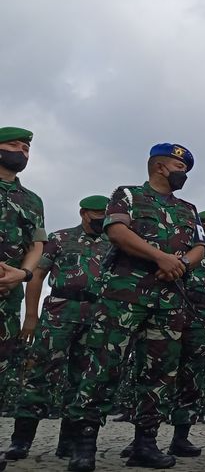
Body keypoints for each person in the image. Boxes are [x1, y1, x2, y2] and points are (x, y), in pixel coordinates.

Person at [66, 143, 205, 472]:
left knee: (160, 373)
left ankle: (146, 442)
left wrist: (181, 264)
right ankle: (84, 443)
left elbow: (199, 246)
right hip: (125, 294)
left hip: (170, 299)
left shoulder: (189, 208)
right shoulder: (127, 195)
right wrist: (161, 258)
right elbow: (116, 231)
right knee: (104, 364)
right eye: (180, 167)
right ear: (161, 167)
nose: (184, 173)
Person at [6, 196, 110, 461]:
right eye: (97, 213)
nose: (101, 218)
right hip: (59, 312)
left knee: (83, 380)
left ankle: (69, 442)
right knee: (39, 374)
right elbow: (37, 276)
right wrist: (31, 316)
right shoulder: (60, 238)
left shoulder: (114, 243)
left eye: (105, 213)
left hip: (96, 315)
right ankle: (21, 441)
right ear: (84, 213)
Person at [0, 127, 46, 472]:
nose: (22, 151)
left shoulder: (32, 200)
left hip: (7, 298)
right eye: (15, 145)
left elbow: (36, 245)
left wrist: (23, 274)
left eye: (27, 147)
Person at [168, 210, 205, 456]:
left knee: (192, 378)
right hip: (168, 312)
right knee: (156, 372)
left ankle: (181, 437)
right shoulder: (176, 248)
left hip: (200, 318)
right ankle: (143, 436)